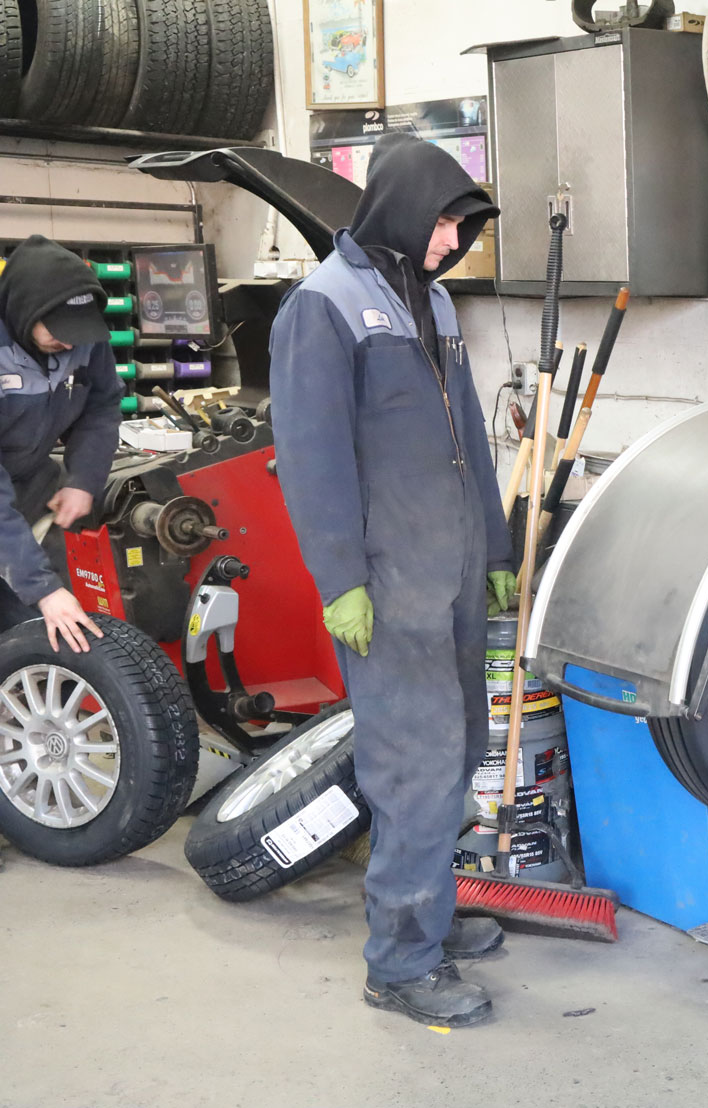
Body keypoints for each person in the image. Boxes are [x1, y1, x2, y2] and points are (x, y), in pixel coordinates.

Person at [269, 133, 517, 1028]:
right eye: (447, 223)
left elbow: (472, 450)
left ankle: (432, 914)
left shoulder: (436, 306)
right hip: (386, 583)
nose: (453, 242)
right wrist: (341, 576)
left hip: (449, 573)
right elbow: (310, 456)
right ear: (407, 209)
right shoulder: (323, 306)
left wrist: (493, 550)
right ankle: (401, 962)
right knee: (411, 763)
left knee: (455, 749)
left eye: (462, 228)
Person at [0, 235, 123, 653]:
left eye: (79, 331)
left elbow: (102, 404)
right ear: (23, 310)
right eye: (58, 331)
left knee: (37, 623)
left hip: (31, 485)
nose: (70, 343)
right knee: (41, 596)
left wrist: (83, 479)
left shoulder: (85, 339)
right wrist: (41, 588)